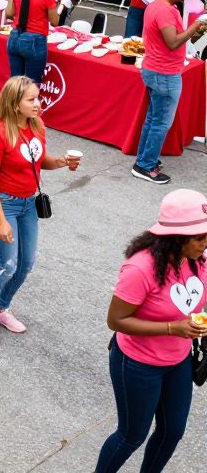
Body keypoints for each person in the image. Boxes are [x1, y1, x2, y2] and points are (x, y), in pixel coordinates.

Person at [95, 189, 207, 473]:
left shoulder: (199, 257)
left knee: (172, 432)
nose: (205, 243)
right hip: (137, 363)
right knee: (131, 436)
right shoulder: (140, 268)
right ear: (176, 237)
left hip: (178, 360)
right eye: (199, 237)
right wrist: (173, 327)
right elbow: (116, 320)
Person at [0, 76, 81, 344]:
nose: (38, 103)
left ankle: (0, 309)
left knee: (25, 264)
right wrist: (1, 221)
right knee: (5, 266)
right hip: (2, 204)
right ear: (14, 104)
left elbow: (39, 162)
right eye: (31, 99)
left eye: (37, 97)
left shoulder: (37, 126)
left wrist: (63, 162)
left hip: (28, 203)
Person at [131, 0, 207, 185]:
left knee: (153, 119)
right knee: (161, 122)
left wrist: (196, 28)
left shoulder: (158, 6)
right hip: (164, 73)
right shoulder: (164, 11)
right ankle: (145, 166)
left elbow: (174, 39)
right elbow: (173, 42)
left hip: (156, 70)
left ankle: (144, 160)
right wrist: (196, 24)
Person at [5, 0, 59, 83]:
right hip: (34, 41)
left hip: (14, 37)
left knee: (15, 84)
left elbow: (9, 13)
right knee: (31, 86)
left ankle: (12, 103)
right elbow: (55, 21)